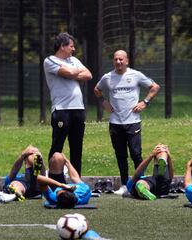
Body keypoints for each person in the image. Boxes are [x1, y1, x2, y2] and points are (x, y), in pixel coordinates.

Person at [94, 50, 160, 195]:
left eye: (121, 59)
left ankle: (140, 184)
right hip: (115, 123)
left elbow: (155, 87)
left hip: (133, 122)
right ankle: (124, 185)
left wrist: (145, 102)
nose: (118, 62)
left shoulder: (135, 75)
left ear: (127, 61)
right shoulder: (108, 77)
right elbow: (97, 90)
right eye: (116, 59)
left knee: (136, 154)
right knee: (121, 155)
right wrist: (103, 102)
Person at [43, 32, 93, 176]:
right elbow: (69, 73)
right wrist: (75, 73)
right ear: (62, 46)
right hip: (61, 110)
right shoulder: (50, 60)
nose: (73, 49)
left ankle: (77, 182)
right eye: (71, 46)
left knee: (77, 148)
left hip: (78, 109)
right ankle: (53, 179)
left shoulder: (74, 60)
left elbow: (88, 75)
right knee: (57, 146)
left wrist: (72, 72)